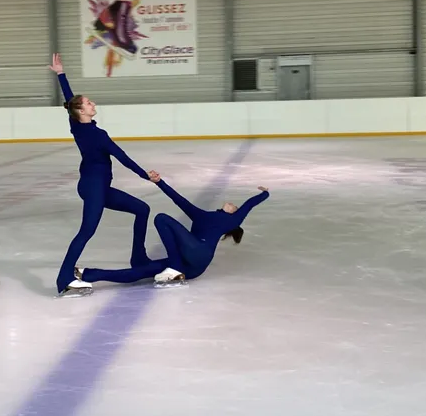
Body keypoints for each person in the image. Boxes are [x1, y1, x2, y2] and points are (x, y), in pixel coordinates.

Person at [50, 53, 157, 297]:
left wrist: (61, 74)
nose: (93, 104)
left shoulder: (77, 125)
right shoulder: (98, 135)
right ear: (81, 110)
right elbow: (123, 158)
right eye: (89, 103)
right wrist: (146, 175)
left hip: (97, 187)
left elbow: (69, 100)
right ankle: (64, 278)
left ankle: (138, 257)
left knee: (142, 209)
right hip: (93, 187)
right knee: (87, 230)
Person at [71, 171, 270, 292]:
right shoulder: (201, 215)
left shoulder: (231, 221)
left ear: (234, 214)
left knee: (162, 218)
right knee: (141, 271)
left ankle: (174, 268)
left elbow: (249, 204)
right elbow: (177, 198)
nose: (233, 204)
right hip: (190, 266)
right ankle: (88, 274)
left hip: (200, 255)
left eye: (235, 206)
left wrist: (265, 193)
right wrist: (159, 182)